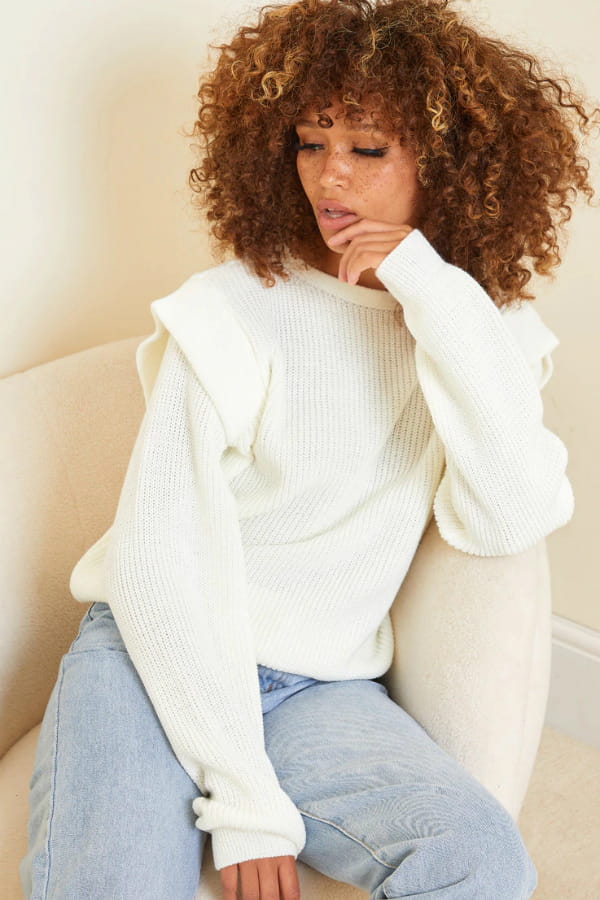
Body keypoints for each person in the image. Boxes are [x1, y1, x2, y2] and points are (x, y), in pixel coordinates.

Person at [20, 0, 597, 898]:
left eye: (368, 148)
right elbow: (157, 563)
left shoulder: (477, 328)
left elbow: (509, 517)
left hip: (321, 689)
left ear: (447, 163)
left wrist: (427, 286)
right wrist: (244, 798)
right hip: (150, 658)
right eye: (309, 141)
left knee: (483, 860)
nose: (330, 175)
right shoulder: (229, 311)